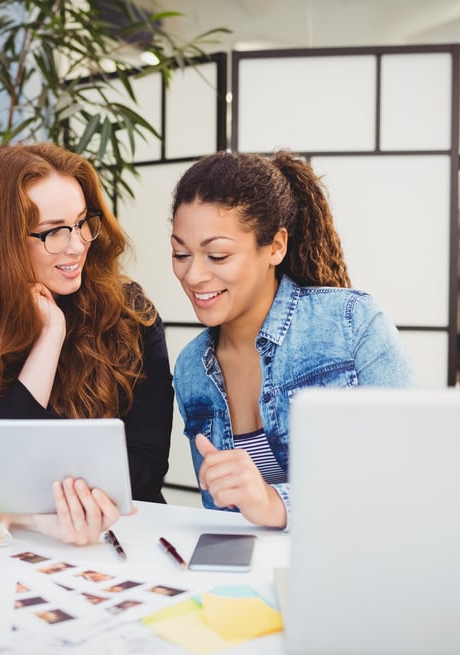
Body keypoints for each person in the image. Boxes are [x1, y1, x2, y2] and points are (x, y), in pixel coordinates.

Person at [169, 149, 416, 530]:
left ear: (275, 246)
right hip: (252, 579)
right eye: (180, 253)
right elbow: (225, 516)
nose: (194, 275)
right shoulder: (191, 367)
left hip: (362, 562)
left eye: (217, 255)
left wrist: (276, 504)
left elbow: (407, 472)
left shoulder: (351, 324)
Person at [0, 143, 173, 511]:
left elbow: (145, 468)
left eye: (81, 223)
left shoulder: (129, 314)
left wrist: (14, 467)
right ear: (1, 241)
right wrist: (50, 337)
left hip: (124, 532)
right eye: (53, 232)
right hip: (9, 542)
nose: (76, 245)